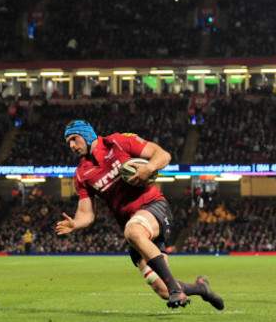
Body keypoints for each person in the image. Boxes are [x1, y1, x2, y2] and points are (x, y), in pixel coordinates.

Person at [56, 120, 224, 310]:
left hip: (154, 207)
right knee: (162, 290)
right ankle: (201, 288)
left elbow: (162, 155)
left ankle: (176, 292)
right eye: (68, 142)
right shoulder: (81, 174)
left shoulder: (117, 142)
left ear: (86, 135)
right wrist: (76, 224)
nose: (71, 146)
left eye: (74, 139)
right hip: (134, 229)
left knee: (133, 230)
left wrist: (150, 168)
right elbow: (87, 214)